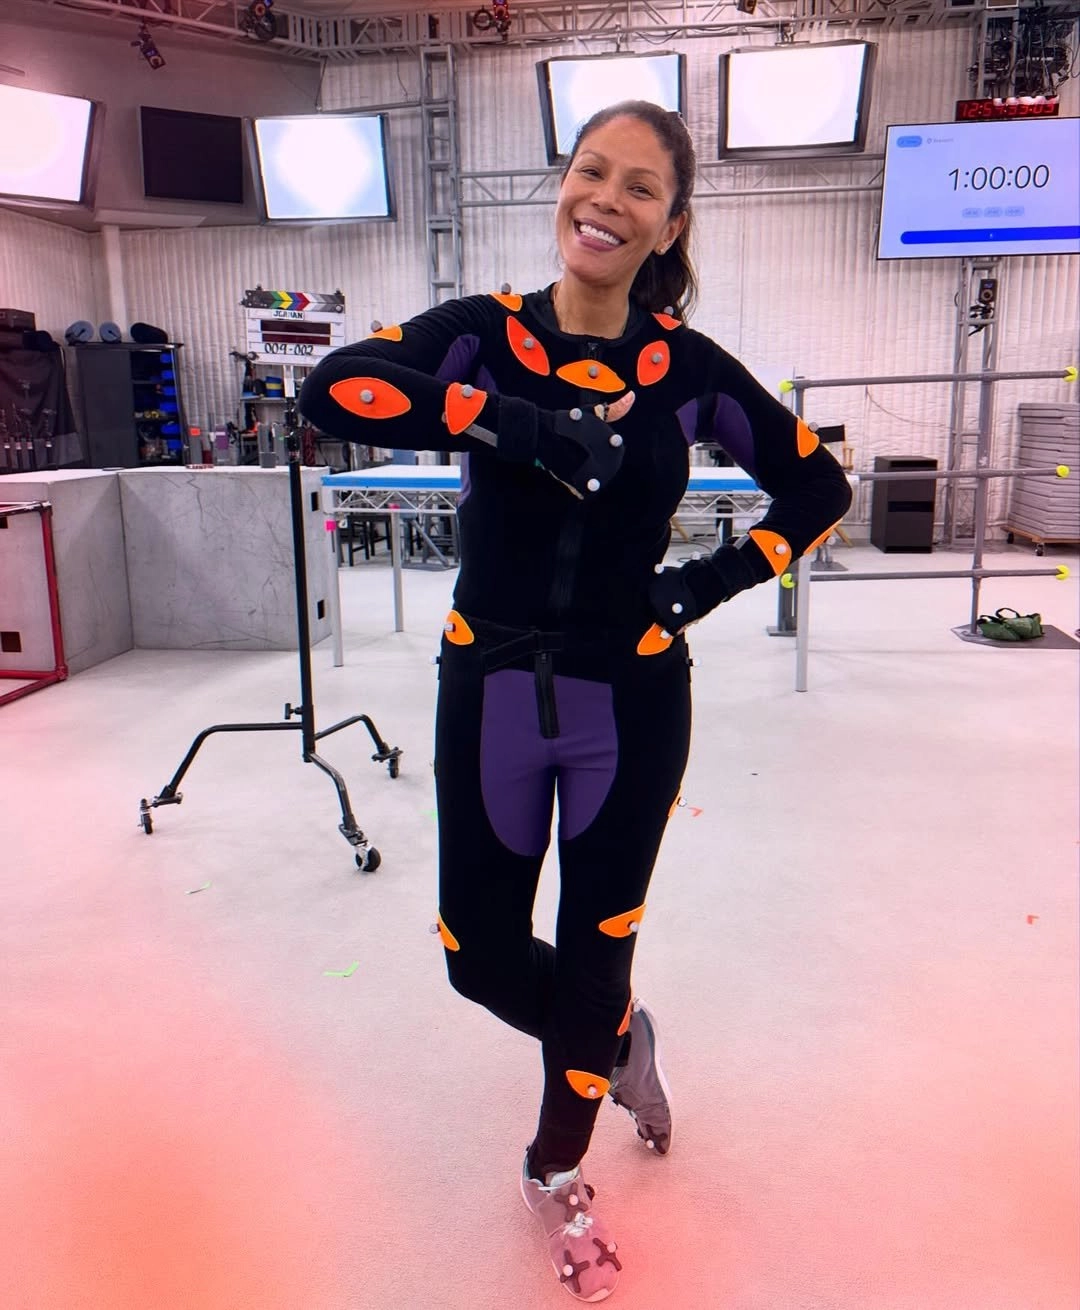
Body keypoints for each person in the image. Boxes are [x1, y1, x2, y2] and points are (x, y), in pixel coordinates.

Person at [299, 100, 851, 1303]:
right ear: (564, 187)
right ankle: (619, 1042)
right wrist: (517, 422)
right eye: (591, 172)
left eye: (640, 187)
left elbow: (819, 485)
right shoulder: (482, 335)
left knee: (600, 945)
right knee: (477, 953)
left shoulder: (690, 370)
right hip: (488, 680)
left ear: (671, 223)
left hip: (631, 691)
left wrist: (703, 585)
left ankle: (556, 1165)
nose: (606, 200)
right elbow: (334, 390)